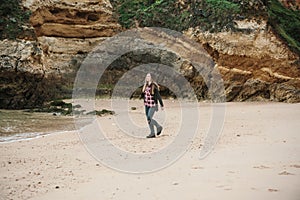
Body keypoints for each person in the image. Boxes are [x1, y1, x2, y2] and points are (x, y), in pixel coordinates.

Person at [142, 73, 164, 138]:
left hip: (153, 104)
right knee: (148, 119)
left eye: (149, 76)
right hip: (147, 104)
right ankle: (152, 133)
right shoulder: (145, 85)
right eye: (147, 76)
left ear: (151, 77)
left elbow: (158, 96)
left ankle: (158, 126)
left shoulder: (154, 86)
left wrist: (161, 105)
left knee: (149, 117)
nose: (147, 77)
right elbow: (144, 95)